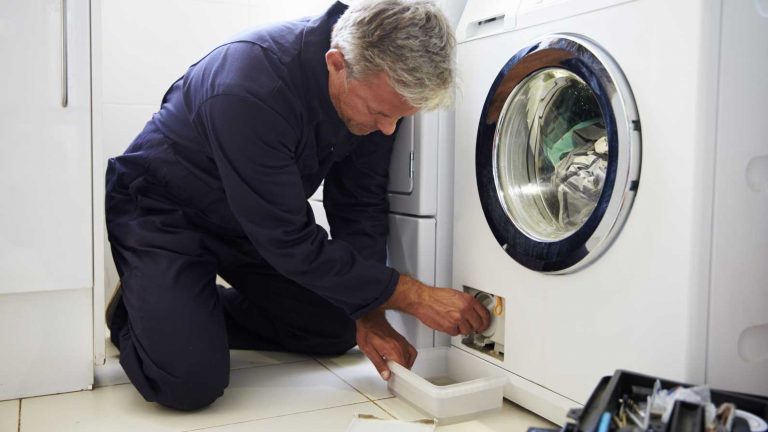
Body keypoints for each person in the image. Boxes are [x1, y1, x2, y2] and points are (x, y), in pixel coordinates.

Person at [105, 0, 490, 411]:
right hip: (164, 209)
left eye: (399, 117)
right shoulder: (250, 84)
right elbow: (289, 242)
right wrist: (412, 295)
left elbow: (358, 203)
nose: (387, 129)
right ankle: (138, 310)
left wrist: (370, 313)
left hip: (249, 220)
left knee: (337, 327)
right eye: (381, 113)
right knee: (187, 383)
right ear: (337, 63)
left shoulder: (376, 91)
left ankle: (187, 307)